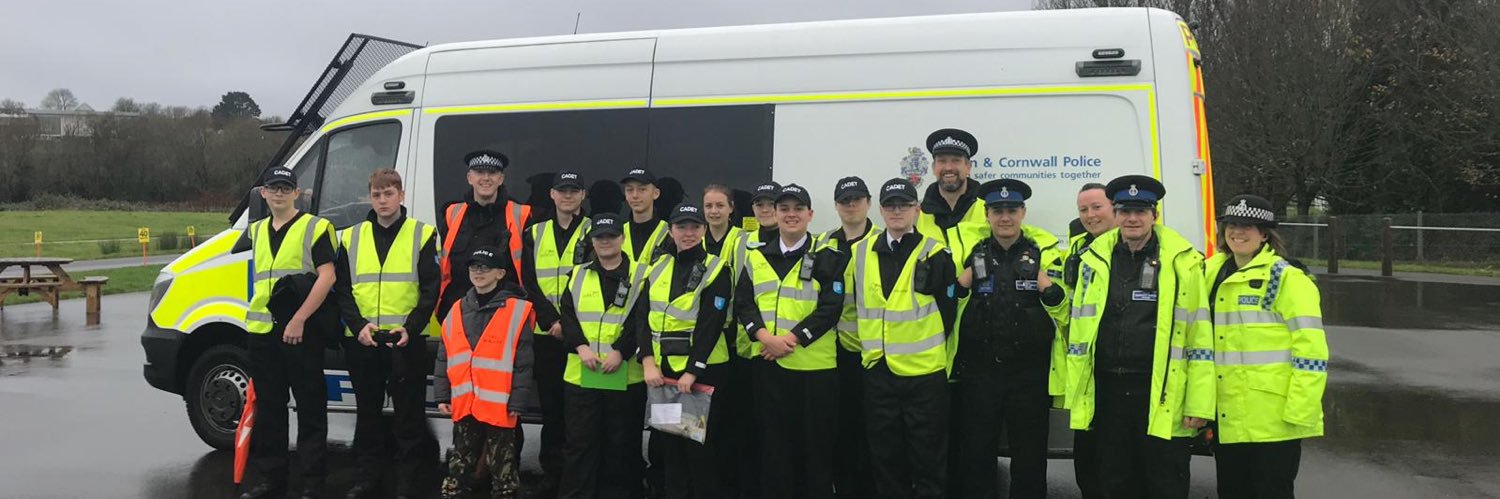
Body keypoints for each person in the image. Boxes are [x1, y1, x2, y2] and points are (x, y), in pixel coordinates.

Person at [1063, 175, 1215, 499]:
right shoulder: (1093, 260)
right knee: (1113, 482)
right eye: (1125, 211)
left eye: (1141, 211)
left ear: (1154, 215)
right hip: (1108, 393)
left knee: (1164, 483)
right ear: (1115, 215)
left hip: (1160, 391)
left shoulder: (1183, 262)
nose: (1133, 218)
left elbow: (1200, 338)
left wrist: (1200, 402)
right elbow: (1079, 332)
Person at [949, 179, 1068, 499]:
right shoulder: (971, 252)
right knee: (977, 453)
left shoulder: (1044, 253)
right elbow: (948, 302)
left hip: (1028, 371)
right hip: (980, 369)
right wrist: (960, 285)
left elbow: (1063, 308)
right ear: (986, 214)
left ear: (1023, 212)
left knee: (1029, 456)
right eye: (998, 210)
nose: (1005, 217)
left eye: (1012, 210)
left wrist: (1047, 285)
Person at [1207, 194, 1327, 499]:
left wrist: (1300, 412)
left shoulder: (1287, 279)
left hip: (1274, 420)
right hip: (1227, 415)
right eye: (1232, 224)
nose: (1238, 232)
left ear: (1265, 234)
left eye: (1249, 226)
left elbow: (1311, 352)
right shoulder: (1210, 273)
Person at [845, 178, 957, 499]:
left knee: (928, 456)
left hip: (924, 374)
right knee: (885, 456)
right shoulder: (860, 252)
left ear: (916, 210)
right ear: (880, 210)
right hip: (878, 371)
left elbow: (948, 312)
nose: (897, 211)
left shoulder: (935, 253)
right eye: (890, 205)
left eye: (904, 205)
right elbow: (853, 307)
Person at [333, 169, 441, 499]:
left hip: (404, 341)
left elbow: (430, 289)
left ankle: (407, 483)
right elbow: (342, 290)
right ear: (370, 197)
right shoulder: (350, 237)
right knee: (367, 415)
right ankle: (367, 479)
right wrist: (358, 327)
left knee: (409, 417)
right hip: (363, 341)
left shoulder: (422, 234)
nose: (383, 200)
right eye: (377, 194)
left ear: (402, 195)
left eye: (389, 193)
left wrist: (410, 328)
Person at [733, 184, 845, 499]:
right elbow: (743, 304)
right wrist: (766, 338)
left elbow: (830, 309)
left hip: (815, 371)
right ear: (776, 214)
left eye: (798, 209)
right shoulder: (756, 258)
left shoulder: (828, 257)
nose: (791, 215)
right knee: (773, 449)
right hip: (769, 369)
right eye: (784, 209)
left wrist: (791, 340)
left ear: (810, 215)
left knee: (816, 452)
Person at [239, 165, 338, 499]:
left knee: (310, 407)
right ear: (263, 193)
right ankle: (272, 479)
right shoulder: (256, 230)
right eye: (273, 188)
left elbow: (327, 277)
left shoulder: (316, 227)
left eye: (286, 188)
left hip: (301, 331)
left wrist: (298, 319)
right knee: (270, 409)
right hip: (263, 331)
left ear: (297, 193)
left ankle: (312, 482)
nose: (279, 193)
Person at [641, 202, 735, 499]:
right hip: (664, 374)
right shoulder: (657, 268)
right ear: (671, 231)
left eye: (695, 226)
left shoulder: (718, 268)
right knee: (671, 446)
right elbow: (641, 319)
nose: (688, 232)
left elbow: (711, 325)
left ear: (704, 230)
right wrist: (647, 362)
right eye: (682, 226)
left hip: (703, 373)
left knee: (699, 447)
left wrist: (693, 370)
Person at [434, 247, 540, 499]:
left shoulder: (517, 309)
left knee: (503, 469)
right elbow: (444, 355)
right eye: (474, 267)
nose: (478, 272)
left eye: (485, 267)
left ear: (500, 273)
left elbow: (523, 362)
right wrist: (443, 396)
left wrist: (518, 401)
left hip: (500, 405)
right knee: (459, 464)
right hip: (465, 401)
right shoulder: (457, 308)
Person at [557, 213, 650, 499]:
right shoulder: (578, 273)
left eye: (611, 236)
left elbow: (642, 320)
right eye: (599, 237)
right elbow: (568, 315)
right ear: (592, 241)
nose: (605, 241)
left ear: (622, 238)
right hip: (582, 375)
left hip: (624, 374)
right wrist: (581, 347)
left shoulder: (643, 275)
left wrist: (621, 351)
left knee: (620, 446)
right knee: (579, 445)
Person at [521, 171, 593, 496]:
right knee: (551, 408)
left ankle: (579, 475)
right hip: (546, 334)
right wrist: (551, 319)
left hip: (581, 336)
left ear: (582, 195)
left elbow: (595, 281)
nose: (567, 196)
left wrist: (568, 322)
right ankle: (552, 472)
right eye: (562, 191)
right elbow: (529, 282)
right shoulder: (534, 233)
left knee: (579, 411)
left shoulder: (595, 232)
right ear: (552, 194)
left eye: (573, 191)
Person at [820, 176, 880, 499]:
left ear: (869, 203)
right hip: (831, 354)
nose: (851, 205)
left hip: (871, 355)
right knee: (838, 430)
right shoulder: (823, 243)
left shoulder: (884, 243)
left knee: (870, 433)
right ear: (836, 206)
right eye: (845, 200)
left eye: (857, 199)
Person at [701, 184, 758, 499]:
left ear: (732, 208)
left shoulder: (744, 240)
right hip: (700, 340)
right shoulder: (694, 236)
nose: (713, 212)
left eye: (719, 205)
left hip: (734, 339)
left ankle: (734, 483)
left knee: (735, 418)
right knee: (702, 421)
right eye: (708, 205)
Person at [1063, 182, 1114, 499]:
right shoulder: (1076, 250)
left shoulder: (1128, 248)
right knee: (1087, 466)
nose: (1090, 215)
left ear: (1113, 209)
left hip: (1116, 373)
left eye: (1097, 207)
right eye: (1084, 210)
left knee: (1117, 468)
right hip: (1085, 373)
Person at [438, 150, 533, 321]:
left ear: (501, 179)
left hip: (504, 312)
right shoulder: (452, 214)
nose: (486, 178)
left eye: (492, 173)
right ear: (469, 178)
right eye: (480, 172)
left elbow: (527, 271)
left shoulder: (521, 215)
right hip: (458, 311)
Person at [914, 128, 990, 270]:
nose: (948, 167)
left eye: (956, 161)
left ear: (968, 167)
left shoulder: (989, 209)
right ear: (933, 167)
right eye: (942, 161)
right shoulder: (916, 213)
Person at [621, 168, 669, 265]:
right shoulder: (617, 232)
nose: (635, 195)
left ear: (656, 193)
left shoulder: (670, 233)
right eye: (629, 190)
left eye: (642, 189)